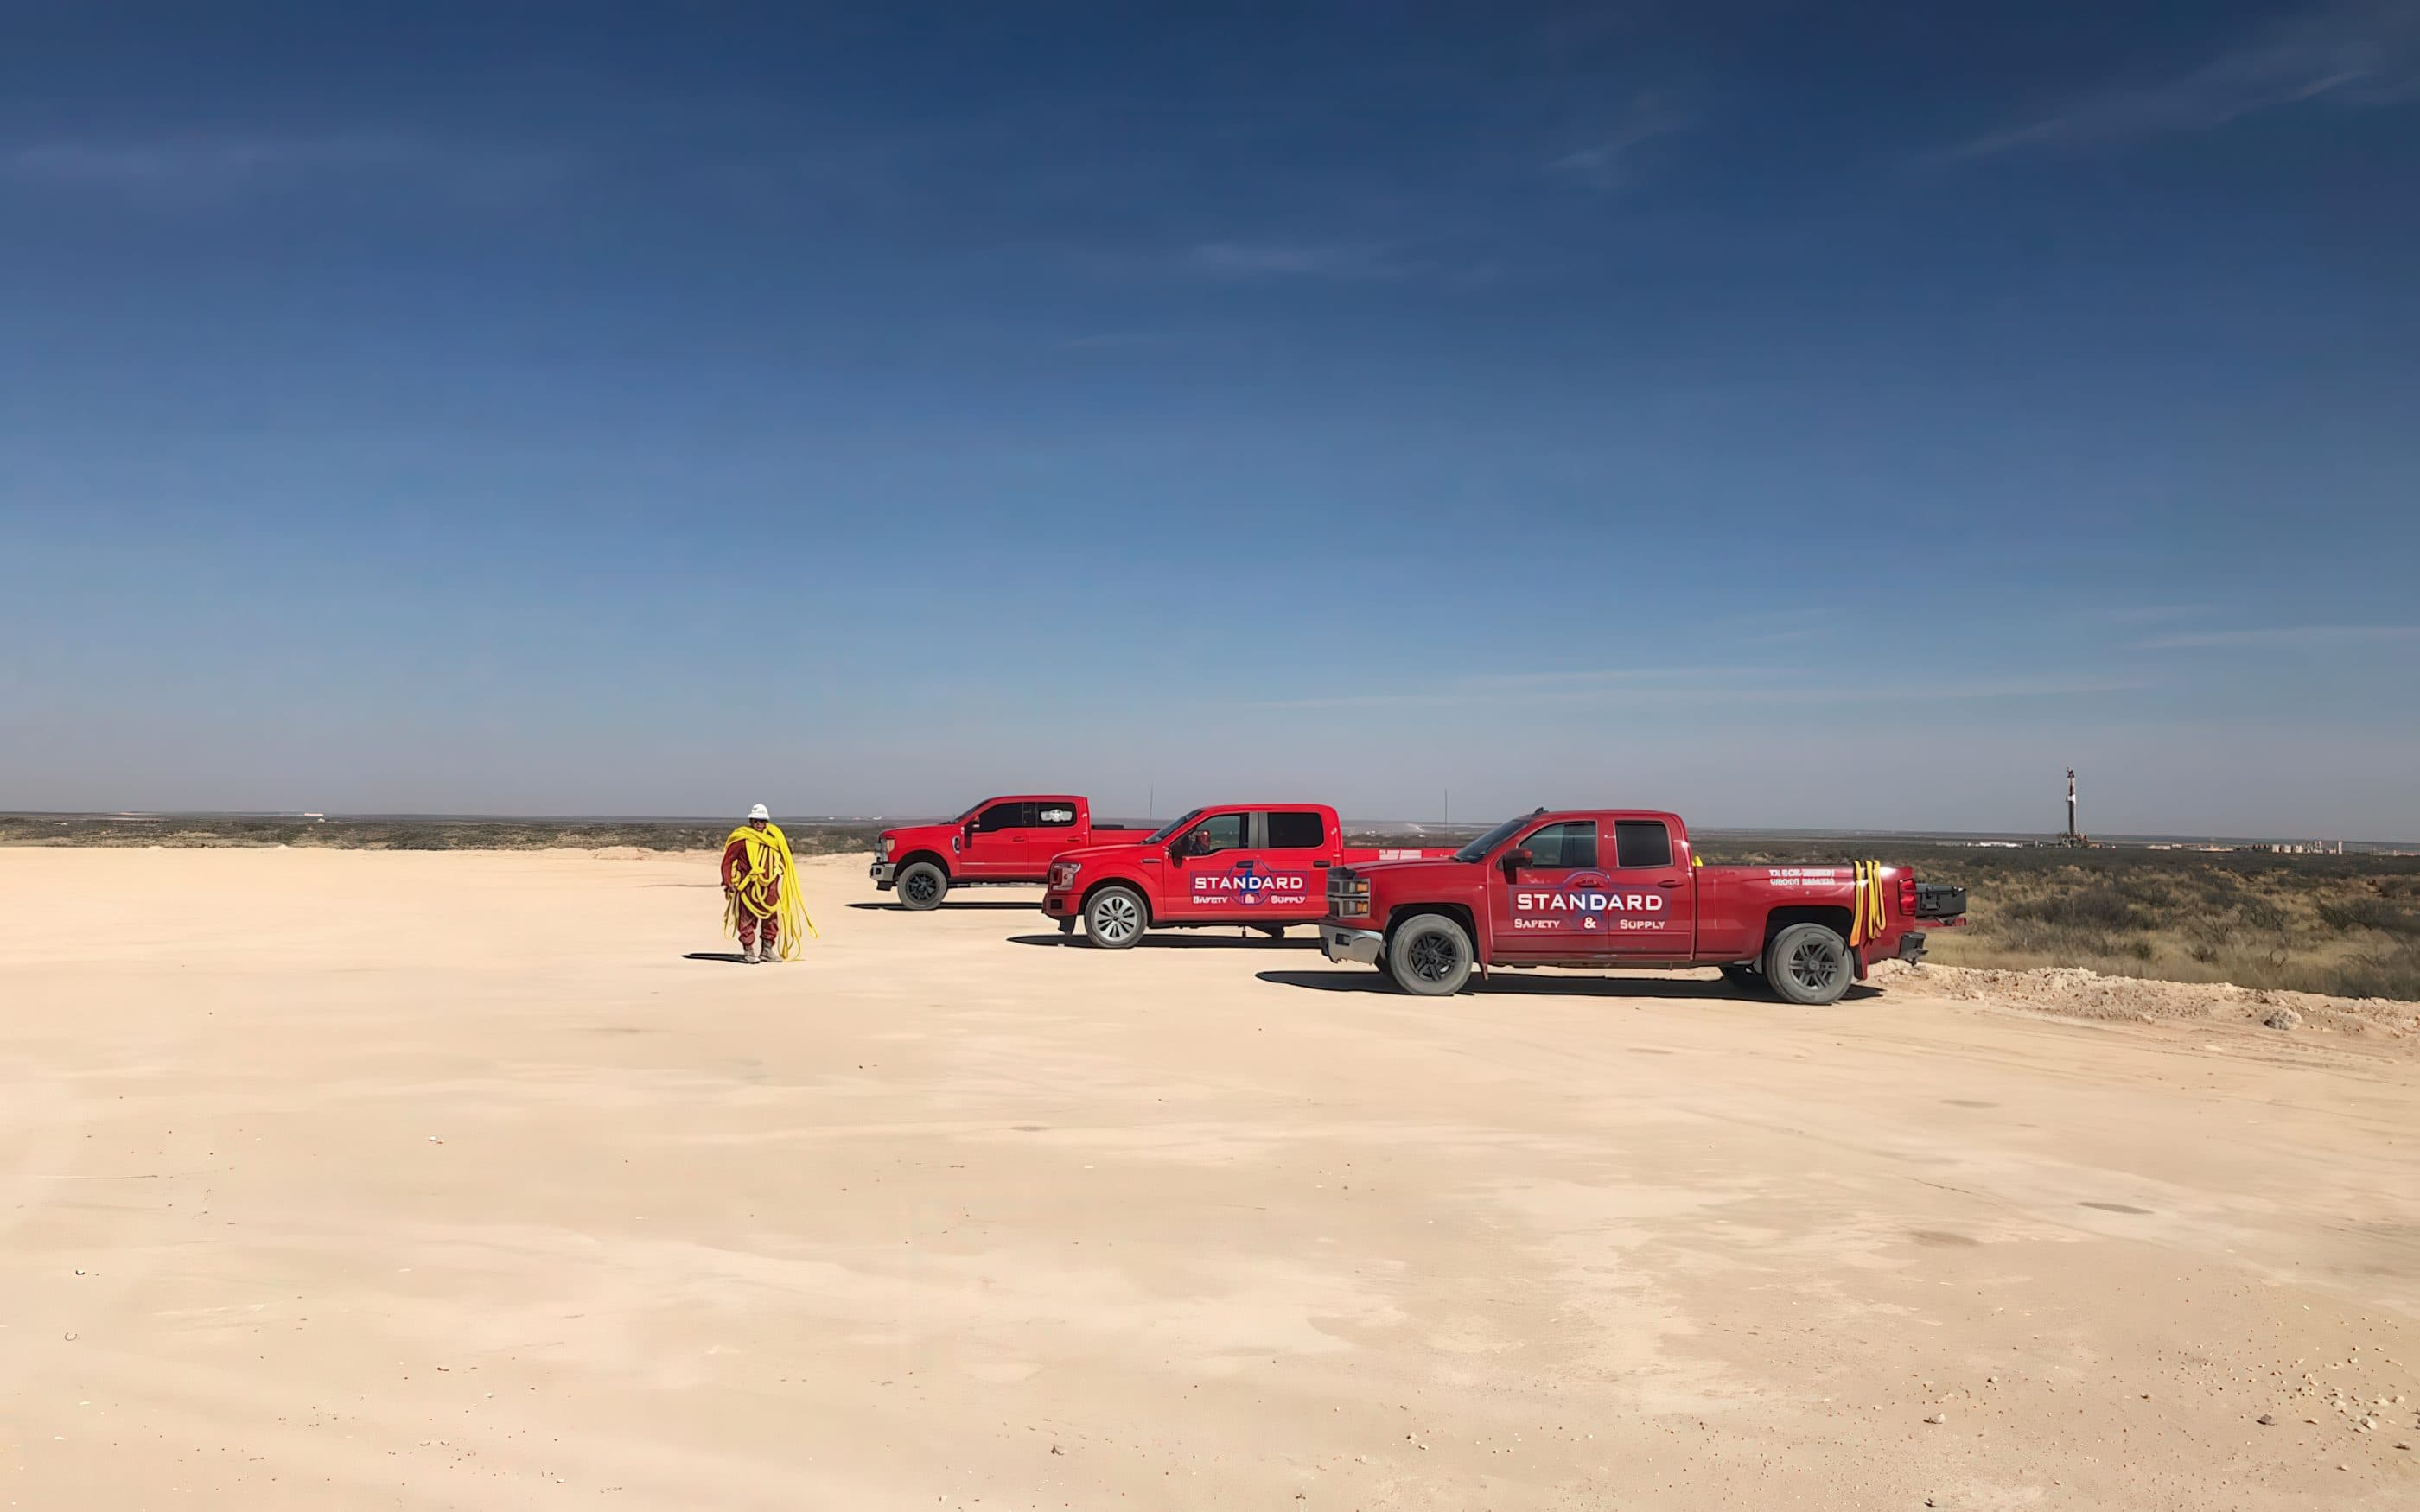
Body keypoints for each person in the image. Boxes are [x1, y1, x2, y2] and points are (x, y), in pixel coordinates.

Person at [722, 804, 812, 962]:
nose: (759, 824)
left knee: (771, 918)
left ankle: (767, 950)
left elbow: (786, 853)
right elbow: (728, 861)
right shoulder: (742, 839)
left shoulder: (775, 839)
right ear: (751, 821)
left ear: (767, 821)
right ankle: (749, 951)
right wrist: (728, 882)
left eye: (762, 821)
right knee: (747, 919)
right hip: (749, 888)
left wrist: (782, 864)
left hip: (770, 888)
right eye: (756, 820)